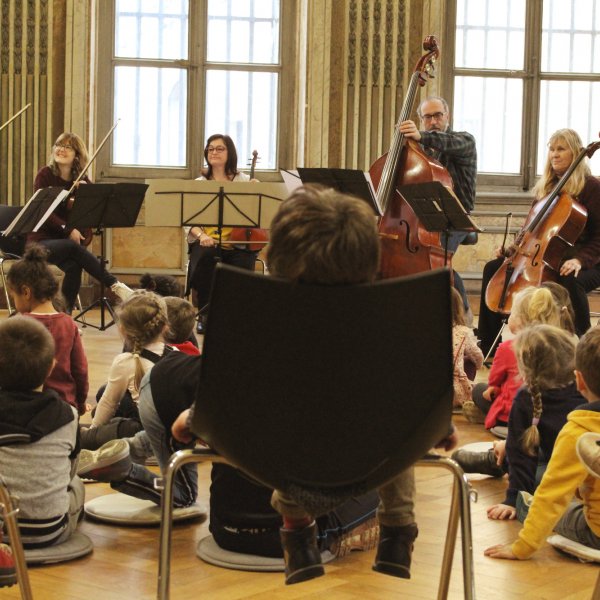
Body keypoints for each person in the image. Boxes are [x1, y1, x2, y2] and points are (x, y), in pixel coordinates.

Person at [171, 186, 458, 585]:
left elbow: (234, 391)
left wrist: (194, 419)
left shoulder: (260, 322)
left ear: (280, 255)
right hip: (371, 455)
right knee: (393, 427)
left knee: (286, 435)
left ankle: (296, 529)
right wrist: (439, 426)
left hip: (286, 459)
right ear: (368, 253)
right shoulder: (390, 322)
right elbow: (412, 389)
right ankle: (398, 528)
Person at [477, 128, 600, 356]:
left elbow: (599, 237)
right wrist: (511, 251)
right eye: (551, 149)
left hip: (589, 261)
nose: (554, 154)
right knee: (493, 269)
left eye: (561, 149)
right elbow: (530, 231)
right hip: (545, 257)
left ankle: (583, 344)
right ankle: (487, 343)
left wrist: (580, 260)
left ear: (575, 153)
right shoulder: (547, 189)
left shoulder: (591, 187)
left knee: (570, 279)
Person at [484, 326, 600, 561]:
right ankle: (495, 456)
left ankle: (497, 464)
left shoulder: (578, 431)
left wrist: (522, 546)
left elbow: (552, 495)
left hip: (596, 532)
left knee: (544, 502)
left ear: (580, 380)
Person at [0, 317, 84, 550]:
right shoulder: (69, 415)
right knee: (77, 485)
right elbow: (70, 472)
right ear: (50, 367)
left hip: (1, 531)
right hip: (49, 531)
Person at [29, 132, 133, 313]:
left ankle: (65, 314)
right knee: (73, 247)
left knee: (74, 265)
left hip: (64, 243)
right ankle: (115, 285)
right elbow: (44, 211)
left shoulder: (81, 180)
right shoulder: (45, 175)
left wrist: (86, 195)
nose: (61, 149)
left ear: (77, 154)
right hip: (40, 240)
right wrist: (68, 229)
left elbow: (95, 210)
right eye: (58, 145)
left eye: (67, 147)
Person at [399, 96, 477, 317]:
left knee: (438, 261)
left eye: (438, 115)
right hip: (427, 218)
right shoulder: (422, 150)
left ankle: (463, 316)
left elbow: (446, 142)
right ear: (421, 119)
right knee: (428, 263)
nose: (433, 121)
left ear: (447, 116)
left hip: (458, 217)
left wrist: (420, 136)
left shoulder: (464, 141)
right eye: (428, 117)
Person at [461, 286, 565, 432]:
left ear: (521, 320)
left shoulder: (508, 348)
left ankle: (487, 414)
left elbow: (493, 384)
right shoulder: (560, 345)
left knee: (479, 390)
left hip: (511, 418)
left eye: (511, 314)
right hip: (549, 417)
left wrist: (495, 389)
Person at [80, 292, 171, 450]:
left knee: (83, 436)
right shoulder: (175, 353)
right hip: (172, 428)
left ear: (122, 329)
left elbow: (109, 403)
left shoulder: (126, 361)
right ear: (164, 327)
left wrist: (92, 434)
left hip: (145, 433)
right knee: (104, 391)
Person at [186, 134, 259, 332]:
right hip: (207, 241)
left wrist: (255, 194)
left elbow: (255, 217)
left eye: (220, 148)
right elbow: (188, 220)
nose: (214, 152)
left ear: (230, 153)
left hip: (237, 241)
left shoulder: (244, 180)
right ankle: (205, 314)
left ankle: (236, 314)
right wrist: (202, 236)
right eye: (210, 149)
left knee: (244, 258)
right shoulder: (199, 183)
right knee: (206, 257)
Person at [6, 244, 89, 415]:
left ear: (26, 292)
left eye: (13, 294)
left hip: (27, 409)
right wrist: (79, 404)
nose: (14, 300)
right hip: (65, 407)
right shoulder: (68, 324)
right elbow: (80, 370)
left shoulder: (19, 325)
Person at [450, 287, 483, 409]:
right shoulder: (463, 332)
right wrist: (478, 365)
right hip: (454, 392)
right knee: (470, 361)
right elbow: (478, 357)